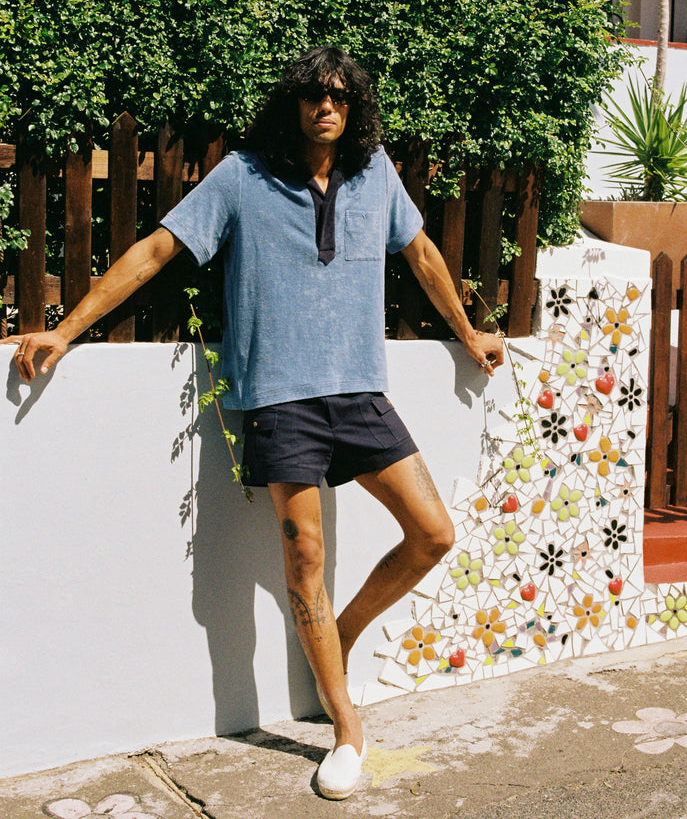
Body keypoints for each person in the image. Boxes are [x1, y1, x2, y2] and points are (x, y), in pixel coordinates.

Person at [2, 47, 503, 799]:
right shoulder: (243, 176)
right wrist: (64, 329)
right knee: (304, 558)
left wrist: (469, 332)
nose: (324, 108)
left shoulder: (376, 174)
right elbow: (156, 249)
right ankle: (346, 729)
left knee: (433, 532)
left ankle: (345, 631)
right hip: (277, 398)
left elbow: (422, 251)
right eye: (311, 96)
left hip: (360, 392)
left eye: (337, 96)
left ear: (353, 106)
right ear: (292, 104)